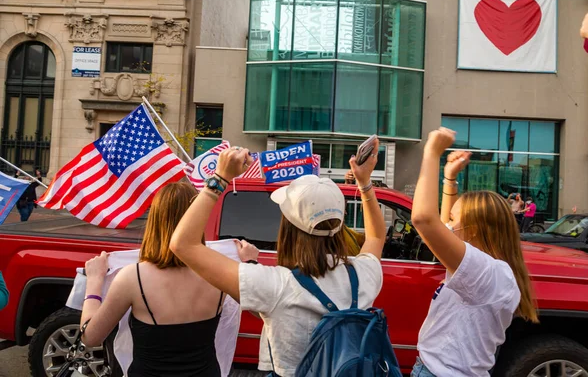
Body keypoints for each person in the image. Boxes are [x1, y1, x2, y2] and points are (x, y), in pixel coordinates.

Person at [170, 143, 386, 377]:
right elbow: (375, 236)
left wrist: (219, 179)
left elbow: (183, 244)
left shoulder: (277, 285)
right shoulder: (364, 273)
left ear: (289, 227)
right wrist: (364, 183)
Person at [79, 182, 259, 377]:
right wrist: (249, 263)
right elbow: (262, 310)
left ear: (155, 221)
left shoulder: (132, 277)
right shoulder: (221, 271)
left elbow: (90, 337)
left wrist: (94, 281)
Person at [410, 127, 538, 377]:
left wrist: (431, 153)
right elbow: (443, 224)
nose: (449, 226)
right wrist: (449, 179)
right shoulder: (486, 269)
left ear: (476, 229)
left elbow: (424, 219)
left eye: (455, 220)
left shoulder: (487, 273)